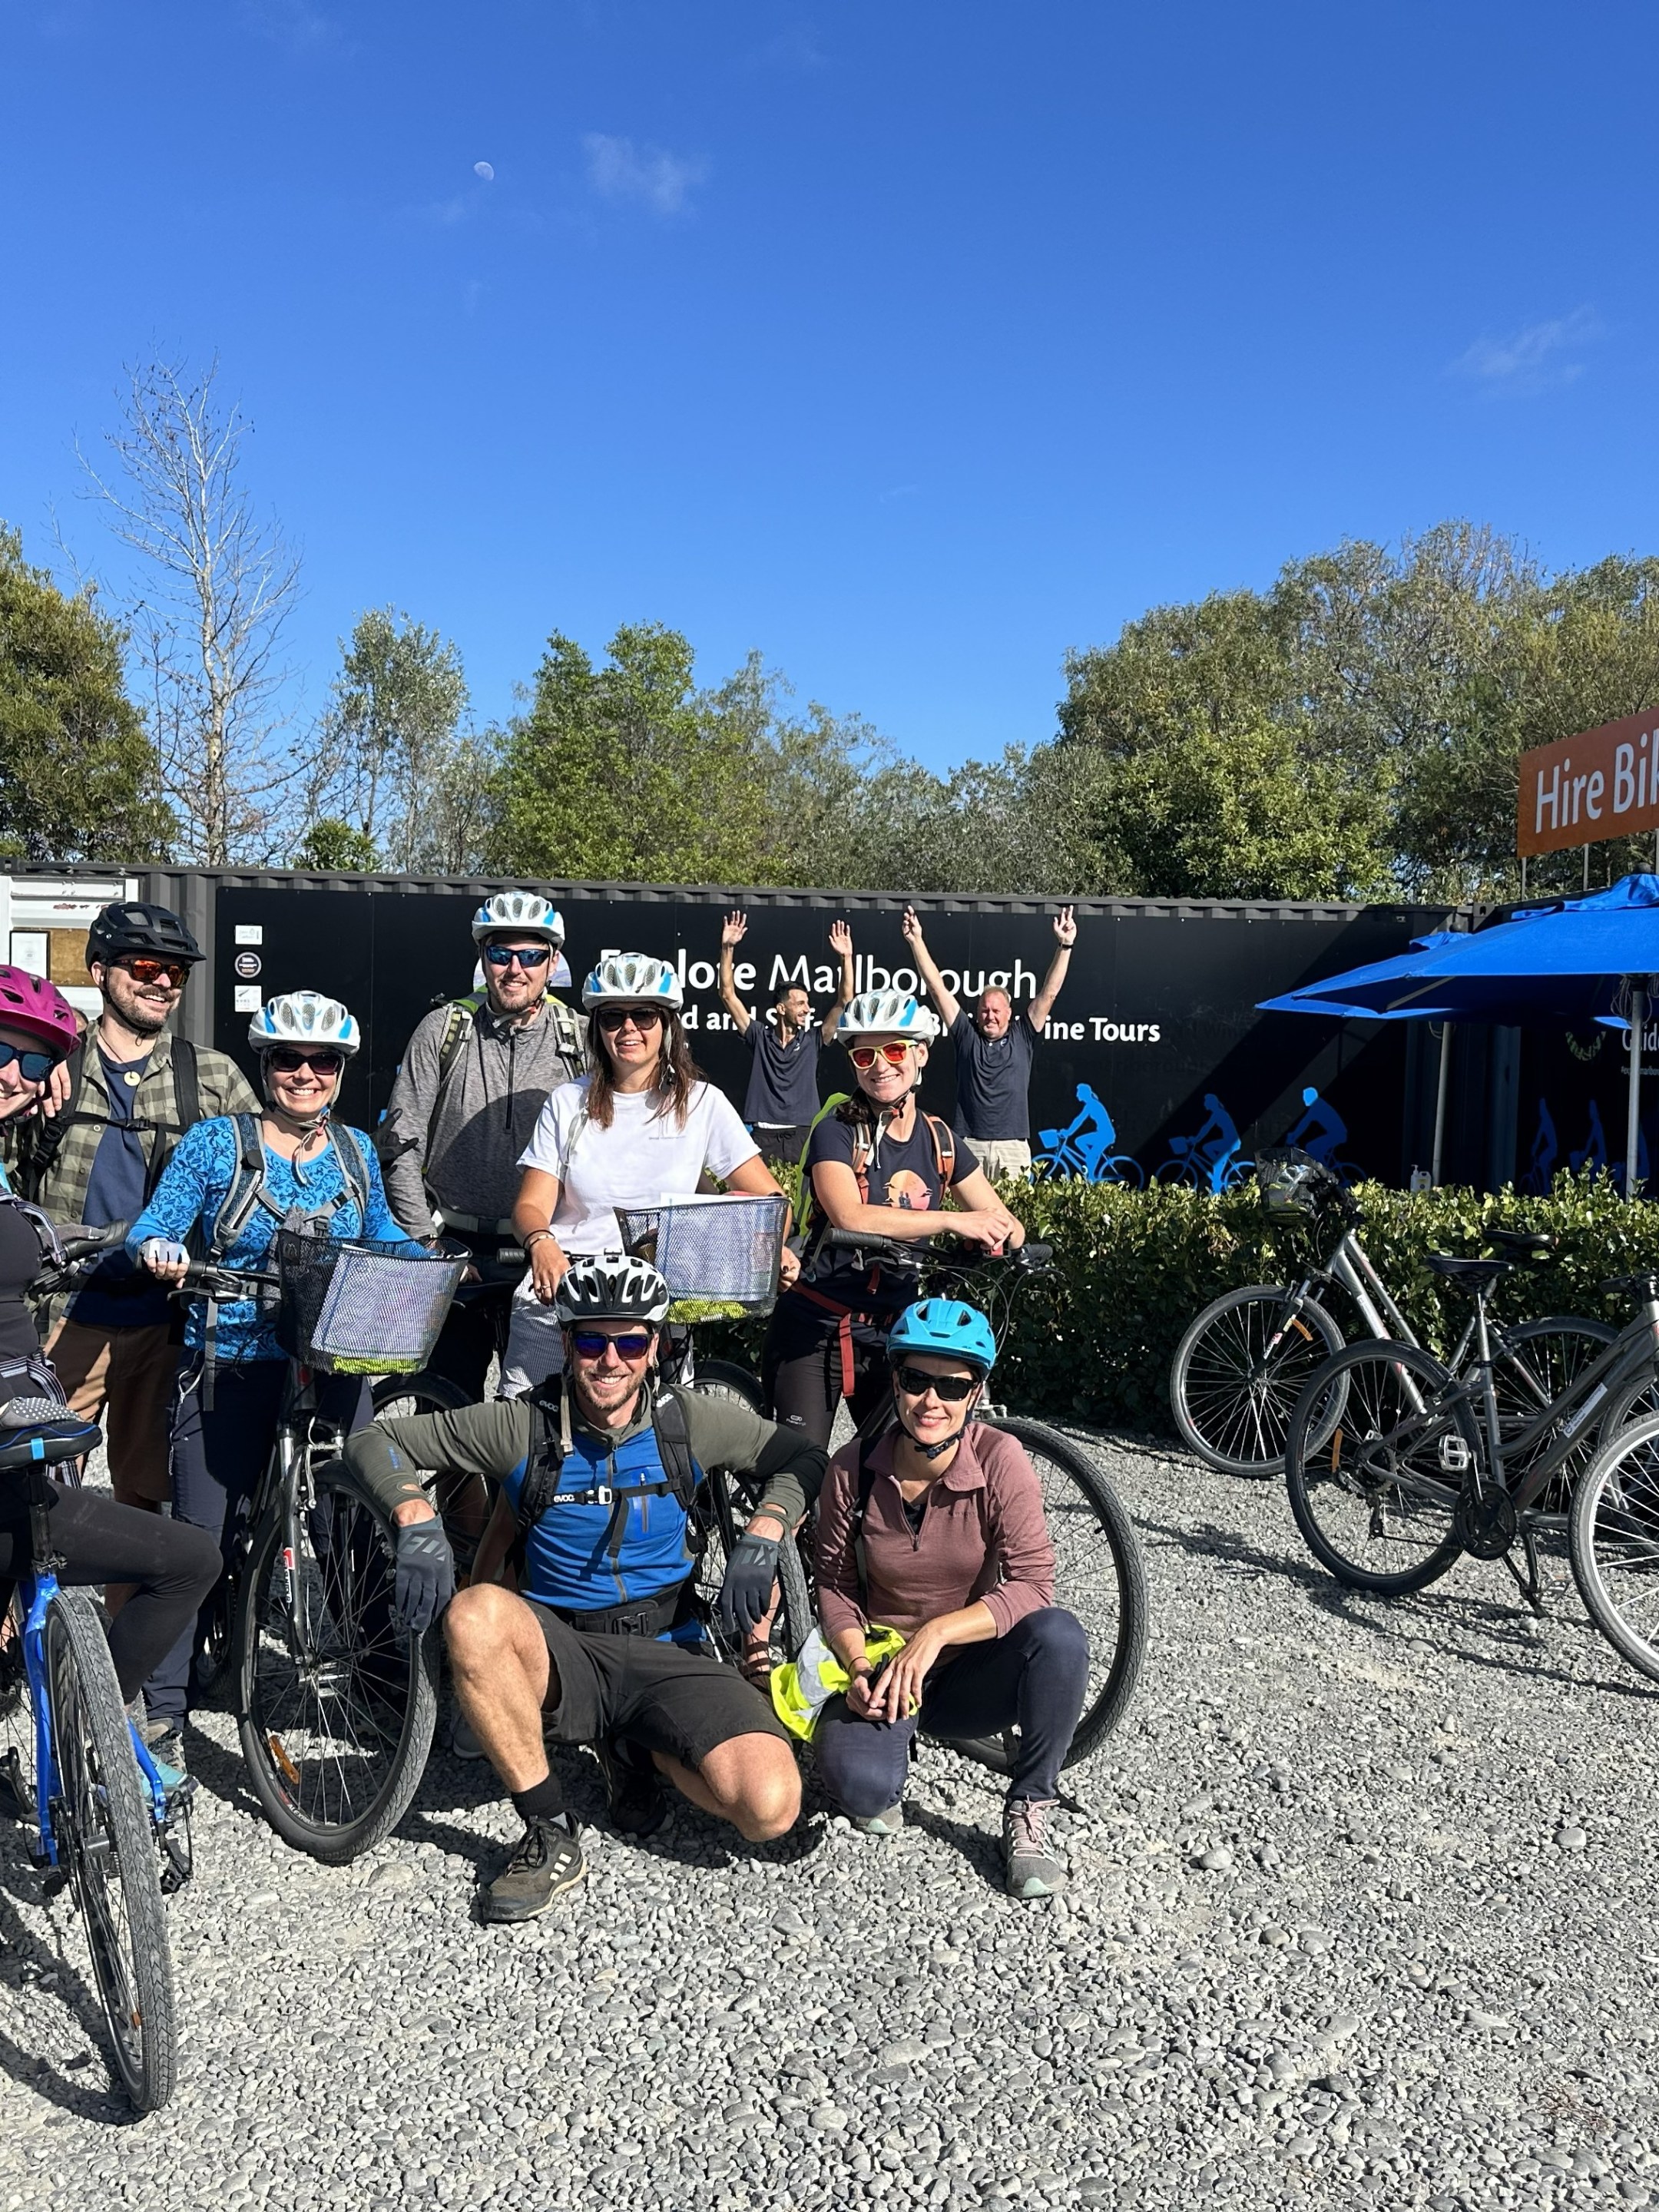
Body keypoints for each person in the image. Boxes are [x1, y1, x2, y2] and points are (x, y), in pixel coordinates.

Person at [342, 1254, 823, 1922]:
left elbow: (801, 1456)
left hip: (670, 1647)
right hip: (561, 1647)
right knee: (475, 1616)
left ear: (654, 1346)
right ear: (566, 1343)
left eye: (629, 1341)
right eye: (592, 1340)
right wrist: (413, 1513)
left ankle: (636, 1745)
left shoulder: (689, 1419)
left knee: (769, 1808)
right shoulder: (520, 1425)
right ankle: (548, 1829)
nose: (610, 1360)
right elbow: (374, 1438)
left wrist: (767, 1530)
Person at [127, 989, 425, 1767]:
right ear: (265, 1065)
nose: (303, 1074)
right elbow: (154, 1225)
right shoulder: (215, 1144)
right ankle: (164, 1709)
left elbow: (385, 1233)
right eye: (287, 1060)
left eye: (320, 1062)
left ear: (338, 1071)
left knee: (356, 1527)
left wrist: (428, 1268)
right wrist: (161, 1250)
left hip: (330, 1361)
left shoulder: (356, 1151)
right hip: (231, 1359)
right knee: (198, 1544)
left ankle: (384, 1682)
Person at [0, 967, 219, 1773]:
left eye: (29, 1063)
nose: (11, 1075)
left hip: (22, 1465)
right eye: (0, 1053)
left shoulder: (6, 1167)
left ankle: (88, 1731)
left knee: (188, 1555)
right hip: (30, 1417)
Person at [812, 1300, 1088, 1899]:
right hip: (885, 1669)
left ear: (975, 1393)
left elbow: (1034, 1582)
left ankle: (1029, 1808)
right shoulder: (851, 1470)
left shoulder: (1000, 1460)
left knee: (1059, 1636)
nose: (931, 1401)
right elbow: (833, 1585)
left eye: (952, 1385)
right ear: (895, 1379)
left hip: (967, 1672)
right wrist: (859, 1666)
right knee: (862, 1793)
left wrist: (936, 1634)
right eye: (915, 1380)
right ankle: (888, 1740)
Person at [2, 902, 259, 1528]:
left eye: (176, 972)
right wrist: (39, 1075)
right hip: (63, 1316)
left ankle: (119, 1628)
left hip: (163, 1322)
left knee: (143, 1504)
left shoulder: (213, 1076)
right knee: (25, 1494)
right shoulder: (51, 1065)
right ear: (99, 971)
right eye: (145, 966)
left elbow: (262, 1172)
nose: (163, 982)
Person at [501, 952, 797, 1398]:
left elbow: (772, 1204)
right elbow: (530, 1206)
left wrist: (767, 1246)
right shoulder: (567, 1102)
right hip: (568, 1296)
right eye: (612, 1017)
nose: (628, 1029)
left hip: (660, 1304)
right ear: (596, 1028)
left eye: (644, 1015)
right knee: (526, 1442)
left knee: (662, 1453)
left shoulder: (702, 1103)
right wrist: (541, 1243)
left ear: (668, 1024)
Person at [762, 991, 1024, 1449]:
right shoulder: (837, 1131)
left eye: (895, 1049)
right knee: (798, 1471)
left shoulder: (941, 1138)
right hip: (817, 1328)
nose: (880, 1065)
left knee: (897, 1470)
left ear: (920, 1054)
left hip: (896, 1332)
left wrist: (1006, 1235)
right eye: (865, 1054)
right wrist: (953, 1221)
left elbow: (1001, 1216)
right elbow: (850, 1215)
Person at [378, 892, 587, 1399]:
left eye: (532, 956)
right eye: (501, 954)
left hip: (544, 1249)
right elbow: (400, 1145)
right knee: (445, 1415)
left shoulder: (579, 1038)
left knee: (543, 1416)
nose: (515, 969)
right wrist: (425, 1243)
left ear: (552, 962)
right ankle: (458, 1484)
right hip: (456, 1246)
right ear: (483, 957)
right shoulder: (443, 1029)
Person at [901, 905, 1078, 1180]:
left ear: (1009, 1013)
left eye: (997, 1011)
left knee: (1012, 1219)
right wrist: (917, 941)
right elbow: (937, 988)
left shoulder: (1023, 1034)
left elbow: (1050, 993)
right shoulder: (966, 1034)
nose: (990, 1016)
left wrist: (1065, 946)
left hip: (1013, 1148)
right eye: (985, 1010)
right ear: (977, 1012)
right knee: (966, 1219)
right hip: (970, 1144)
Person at [717, 914, 856, 1168]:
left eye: (808, 1003)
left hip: (803, 1135)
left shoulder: (814, 1039)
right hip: (762, 1136)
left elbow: (845, 1000)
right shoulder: (759, 1036)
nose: (807, 1009)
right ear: (781, 1009)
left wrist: (846, 958)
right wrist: (727, 948)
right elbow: (727, 993)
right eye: (800, 1003)